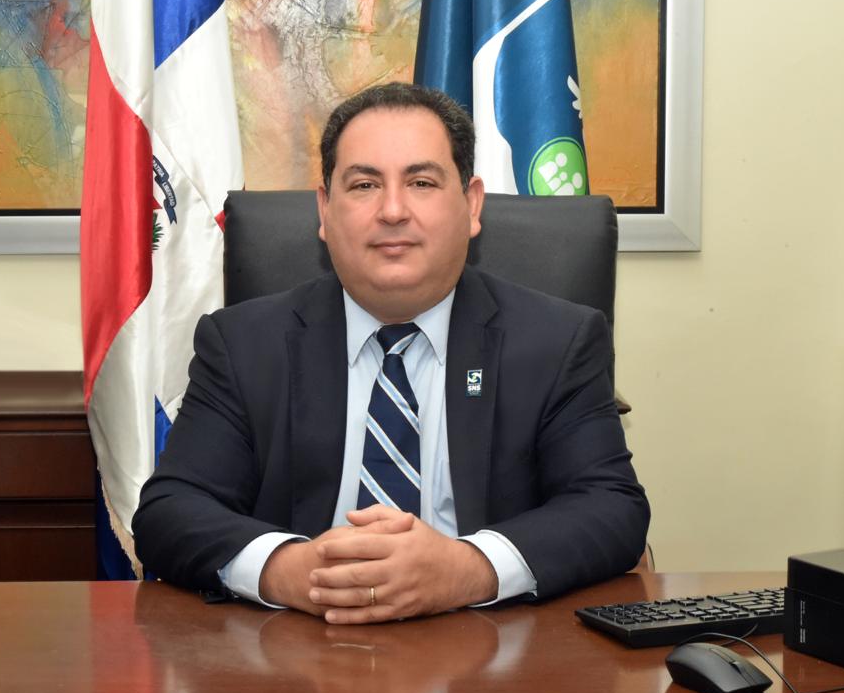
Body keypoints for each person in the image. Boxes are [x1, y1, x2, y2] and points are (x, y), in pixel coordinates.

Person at [133, 82, 648, 624]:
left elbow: (611, 508)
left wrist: (468, 569)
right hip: (296, 648)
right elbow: (171, 512)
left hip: (489, 647)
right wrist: (295, 571)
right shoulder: (242, 344)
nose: (393, 210)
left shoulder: (558, 341)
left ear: (472, 205)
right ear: (324, 210)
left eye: (421, 182)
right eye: (364, 185)